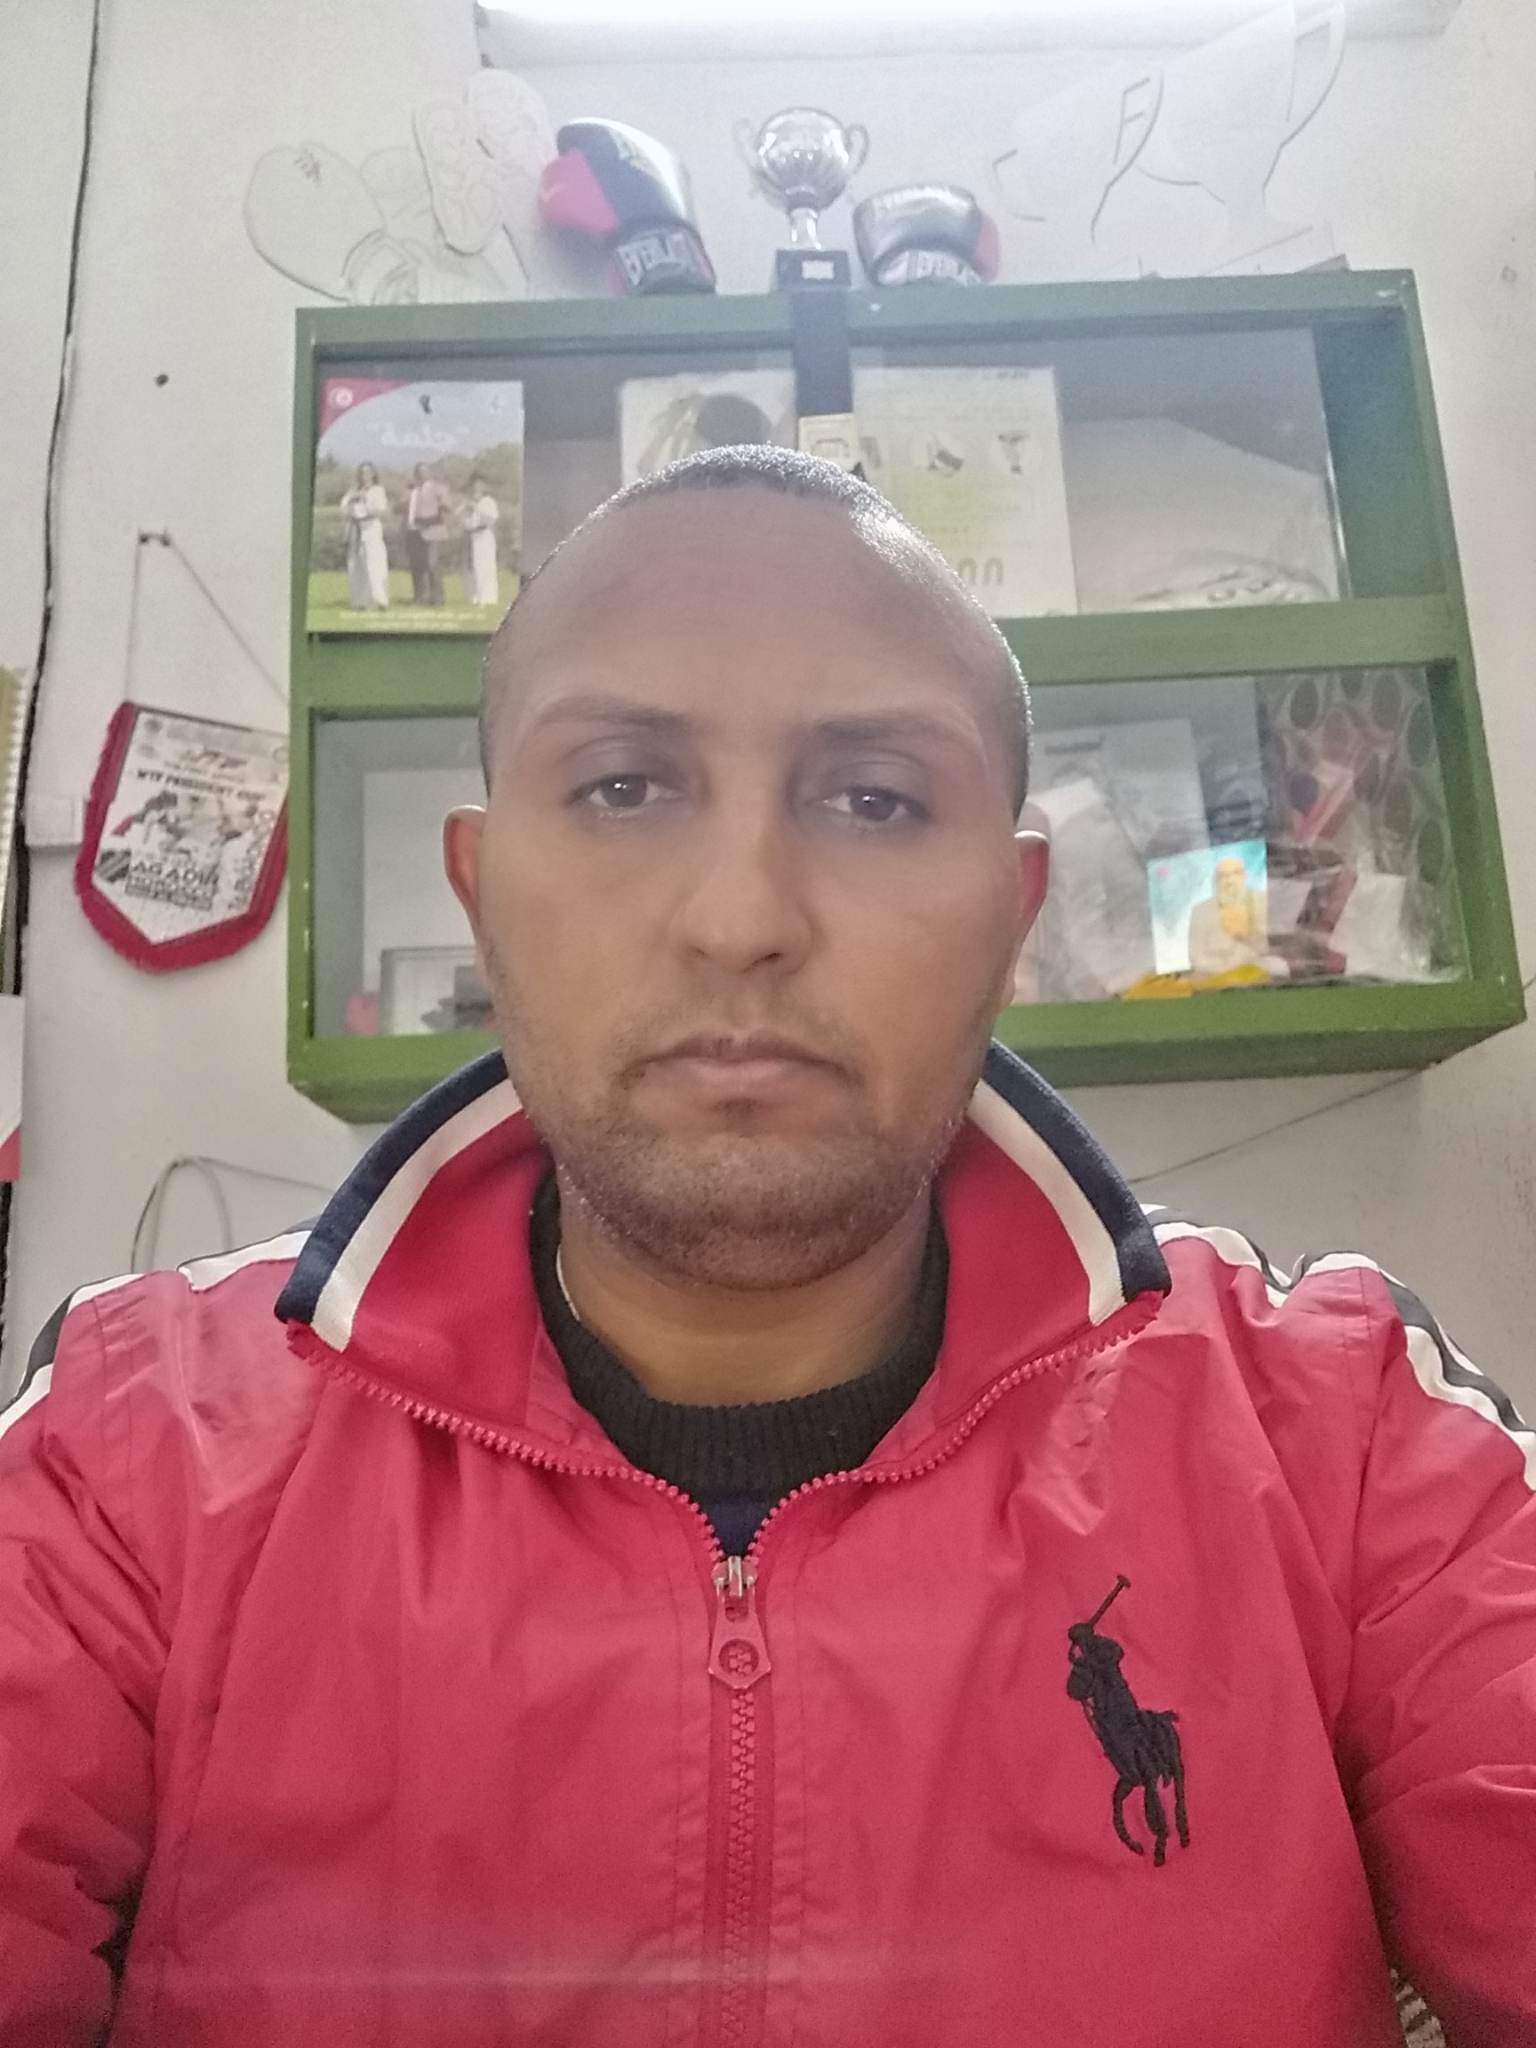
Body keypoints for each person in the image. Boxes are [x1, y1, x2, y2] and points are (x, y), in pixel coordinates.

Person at [1, 447, 1532, 2046]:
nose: (741, 920)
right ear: (482, 891)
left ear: (1012, 915)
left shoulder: (1340, 1439)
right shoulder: (137, 1453)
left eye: (875, 799)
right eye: (623, 788)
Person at [338, 460, 389, 610]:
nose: (364, 475)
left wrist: (365, 500)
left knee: (374, 563)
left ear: (373, 474)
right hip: (355, 528)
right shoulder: (353, 491)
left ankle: (380, 600)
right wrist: (353, 498)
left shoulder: (378, 490)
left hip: (371, 527)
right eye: (361, 473)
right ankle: (360, 601)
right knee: (356, 564)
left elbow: (381, 510)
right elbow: (343, 508)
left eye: (367, 472)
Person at [404, 460, 449, 605]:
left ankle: (437, 598)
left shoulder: (438, 488)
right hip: (413, 530)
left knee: (432, 564)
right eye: (418, 472)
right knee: (417, 565)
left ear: (429, 473)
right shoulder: (411, 490)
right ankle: (420, 597)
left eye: (424, 472)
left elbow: (447, 506)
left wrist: (442, 504)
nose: (421, 475)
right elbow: (398, 507)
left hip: (432, 530)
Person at [461, 469, 501, 607]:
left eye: (479, 484)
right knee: (471, 567)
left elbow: (492, 518)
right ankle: (473, 597)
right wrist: (467, 511)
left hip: (484, 537)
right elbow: (461, 518)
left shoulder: (488, 501)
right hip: (470, 536)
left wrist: (476, 507)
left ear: (484, 486)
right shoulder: (467, 501)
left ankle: (486, 598)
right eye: (474, 484)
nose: (476, 487)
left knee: (484, 566)